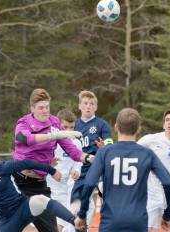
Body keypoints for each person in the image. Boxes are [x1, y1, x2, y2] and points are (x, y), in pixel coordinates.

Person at [74, 108, 170, 232]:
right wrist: (167, 215)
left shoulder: (104, 152)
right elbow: (167, 182)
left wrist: (82, 214)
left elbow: (89, 183)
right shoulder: (147, 154)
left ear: (116, 127)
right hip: (138, 222)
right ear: (138, 129)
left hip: (110, 221)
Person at [12, 88, 90, 232]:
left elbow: (70, 147)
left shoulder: (54, 122)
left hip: (40, 184)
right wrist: (50, 136)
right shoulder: (23, 122)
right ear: (32, 109)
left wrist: (87, 157)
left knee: (51, 230)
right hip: (20, 181)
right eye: (41, 108)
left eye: (47, 107)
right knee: (13, 225)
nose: (45, 111)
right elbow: (24, 139)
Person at [0, 144, 80, 232]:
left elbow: (27, 163)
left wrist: (52, 170)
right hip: (8, 220)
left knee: (40, 200)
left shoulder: (2, 168)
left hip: (22, 206)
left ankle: (75, 221)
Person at [71, 90, 113, 229]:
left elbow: (109, 144)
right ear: (79, 106)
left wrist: (103, 148)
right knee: (78, 203)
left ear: (95, 107)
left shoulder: (101, 124)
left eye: (91, 104)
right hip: (79, 169)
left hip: (98, 168)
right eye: (85, 103)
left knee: (105, 192)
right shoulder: (74, 125)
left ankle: (111, 224)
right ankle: (83, 226)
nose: (88, 106)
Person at [46, 109, 83, 232]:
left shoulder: (76, 143)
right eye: (65, 127)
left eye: (72, 127)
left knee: (66, 221)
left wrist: (76, 170)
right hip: (50, 185)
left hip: (66, 186)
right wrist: (50, 165)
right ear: (57, 127)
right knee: (52, 222)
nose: (68, 131)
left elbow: (77, 161)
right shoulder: (51, 141)